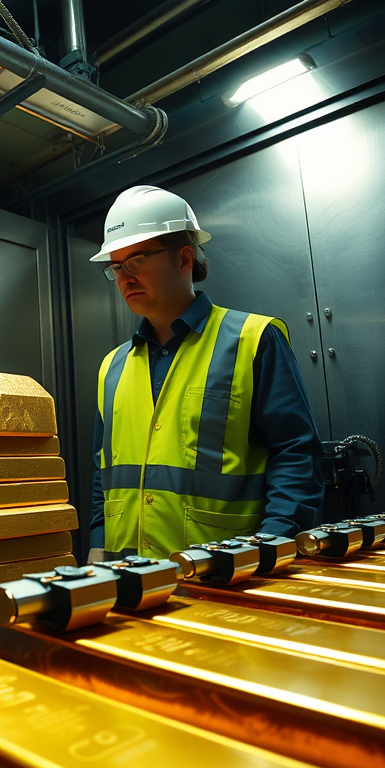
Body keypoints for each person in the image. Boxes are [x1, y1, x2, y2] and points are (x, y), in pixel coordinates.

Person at [87, 184, 323, 563]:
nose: (124, 278)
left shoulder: (253, 340)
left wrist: (272, 547)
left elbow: (296, 455)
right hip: (127, 574)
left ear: (184, 259)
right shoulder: (112, 367)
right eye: (116, 267)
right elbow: (105, 472)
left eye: (136, 261)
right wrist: (98, 543)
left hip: (225, 573)